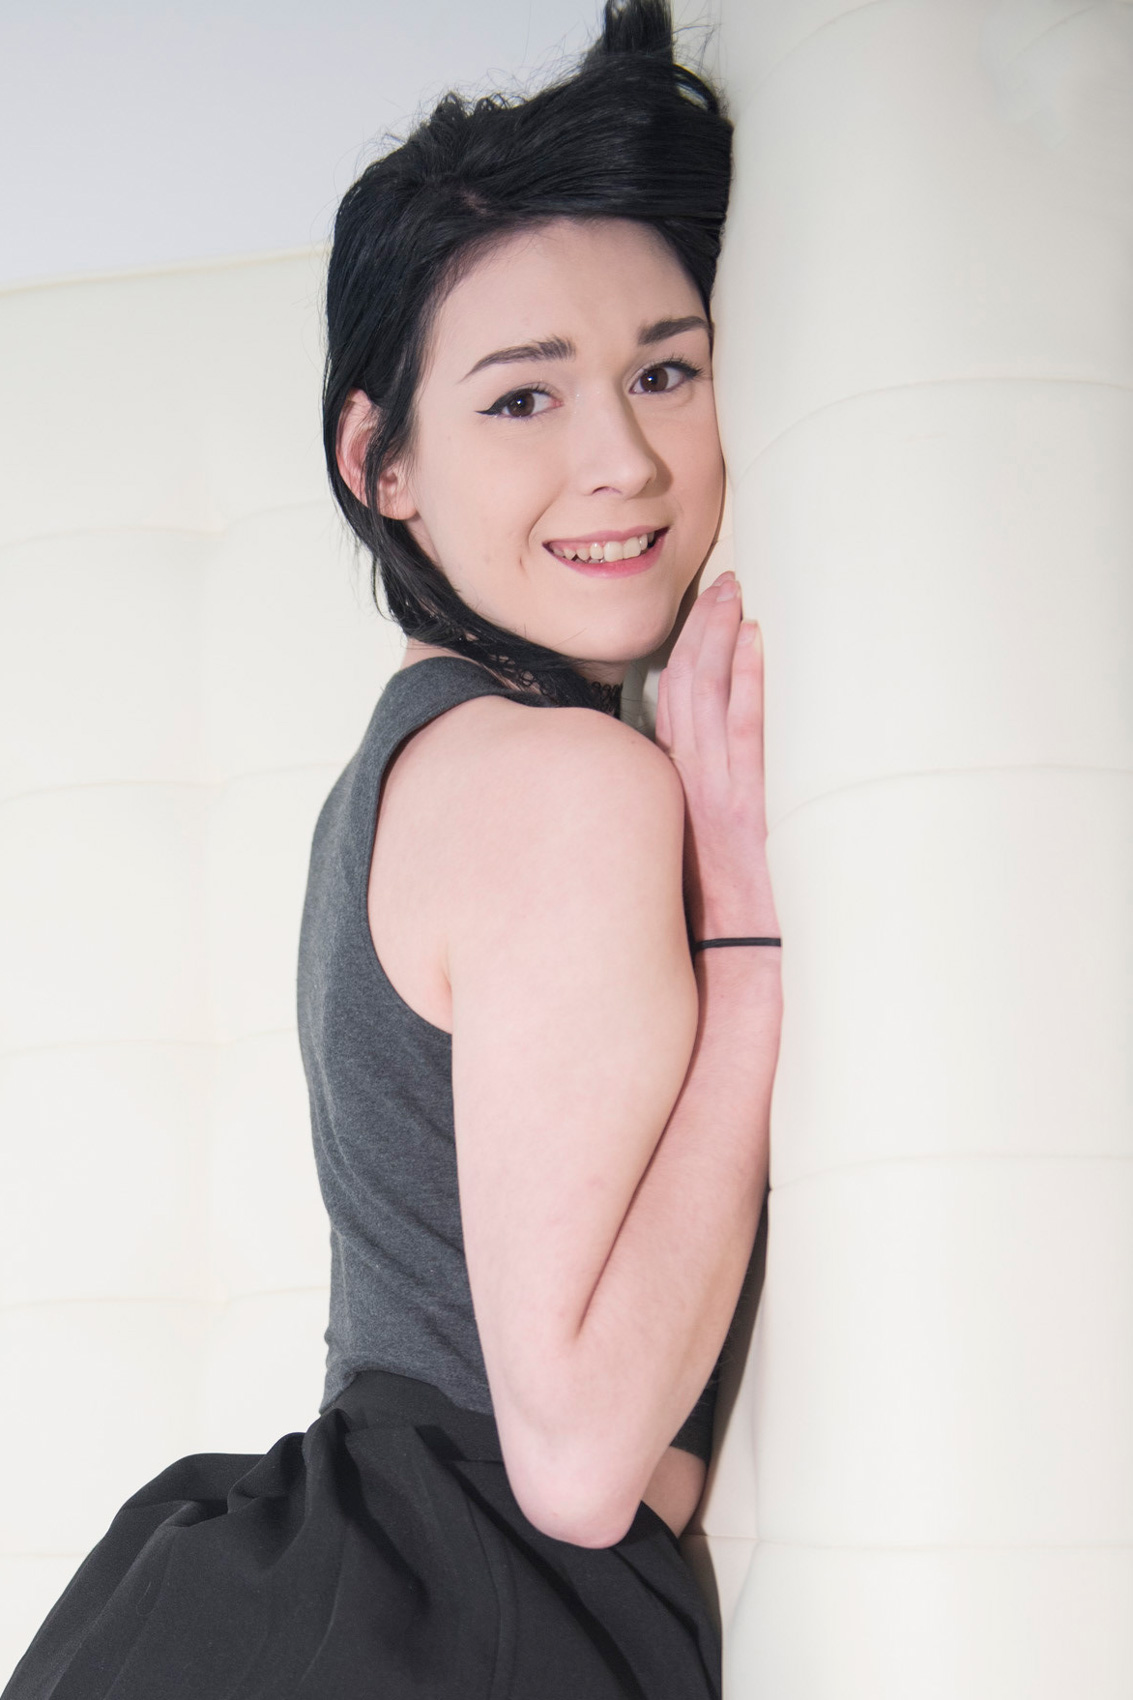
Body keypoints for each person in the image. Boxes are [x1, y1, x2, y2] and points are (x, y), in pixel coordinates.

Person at [2, 2, 782, 1695]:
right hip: (450, 1611)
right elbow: (574, 1463)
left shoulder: (412, 764)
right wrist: (745, 954)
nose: (620, 461)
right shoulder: (564, 784)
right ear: (383, 462)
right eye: (522, 399)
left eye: (664, 370)